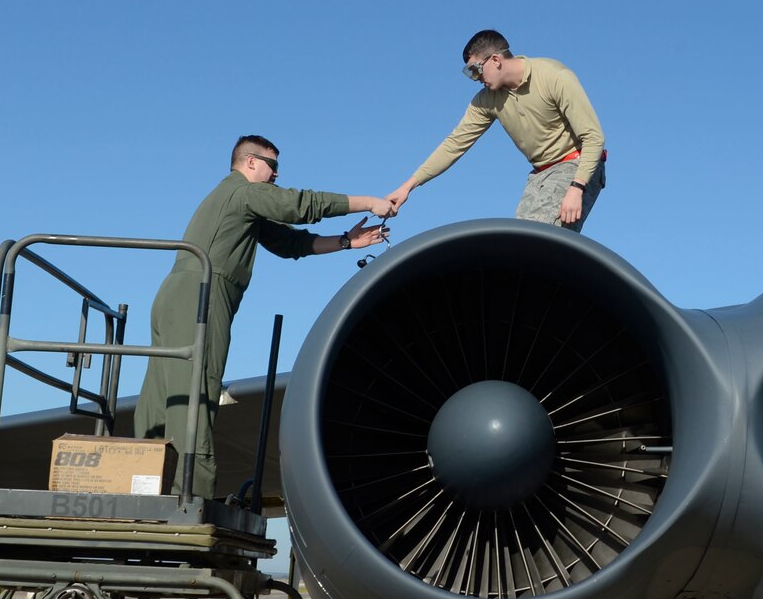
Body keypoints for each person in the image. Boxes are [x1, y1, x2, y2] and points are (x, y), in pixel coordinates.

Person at [136, 135, 393, 499]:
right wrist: (370, 202)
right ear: (251, 163)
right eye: (273, 166)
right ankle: (191, 498)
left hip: (176, 295)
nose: (276, 175)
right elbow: (298, 205)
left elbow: (291, 244)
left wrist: (347, 242)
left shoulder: (240, 205)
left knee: (162, 397)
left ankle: (137, 484)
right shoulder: (242, 191)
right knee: (198, 391)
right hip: (202, 296)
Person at [386, 30, 608, 230]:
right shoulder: (487, 100)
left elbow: (593, 137)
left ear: (495, 60)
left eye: (475, 70)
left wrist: (577, 187)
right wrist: (407, 187)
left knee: (538, 245)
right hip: (540, 175)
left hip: (577, 165)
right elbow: (454, 145)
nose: (475, 79)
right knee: (517, 247)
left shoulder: (554, 76)